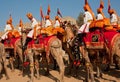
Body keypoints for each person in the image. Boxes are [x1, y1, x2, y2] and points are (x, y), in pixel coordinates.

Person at [73, 0, 95, 66]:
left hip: (87, 24)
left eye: (84, 8)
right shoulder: (92, 13)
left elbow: (85, 21)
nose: (84, 8)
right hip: (91, 24)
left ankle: (80, 43)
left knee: (79, 33)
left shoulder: (85, 13)